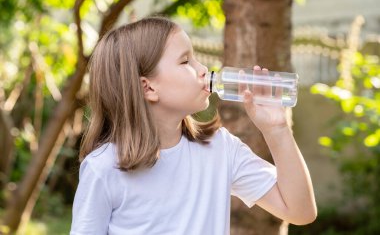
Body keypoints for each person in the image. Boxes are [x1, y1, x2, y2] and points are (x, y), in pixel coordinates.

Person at [70, 16, 317, 235]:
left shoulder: (221, 149)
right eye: (185, 61)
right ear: (148, 87)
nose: (202, 70)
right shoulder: (104, 168)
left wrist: (276, 129)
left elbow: (300, 211)